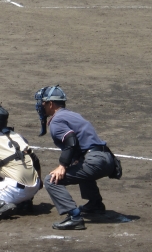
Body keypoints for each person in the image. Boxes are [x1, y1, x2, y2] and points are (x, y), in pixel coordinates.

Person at [35, 85, 118, 230]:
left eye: (43, 103)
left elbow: (71, 141)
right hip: (108, 159)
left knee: (51, 180)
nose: (41, 106)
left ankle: (74, 217)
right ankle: (95, 204)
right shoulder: (72, 115)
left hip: (95, 161)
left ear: (51, 104)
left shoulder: (56, 121)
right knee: (78, 163)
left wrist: (62, 165)